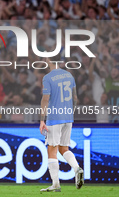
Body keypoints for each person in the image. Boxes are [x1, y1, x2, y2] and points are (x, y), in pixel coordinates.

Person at [39, 55, 84, 192]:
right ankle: (77, 168)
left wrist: (42, 120)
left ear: (48, 61)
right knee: (63, 148)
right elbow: (75, 98)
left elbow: (45, 99)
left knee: (51, 149)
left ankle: (56, 184)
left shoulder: (47, 78)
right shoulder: (70, 76)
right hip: (68, 117)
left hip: (54, 118)